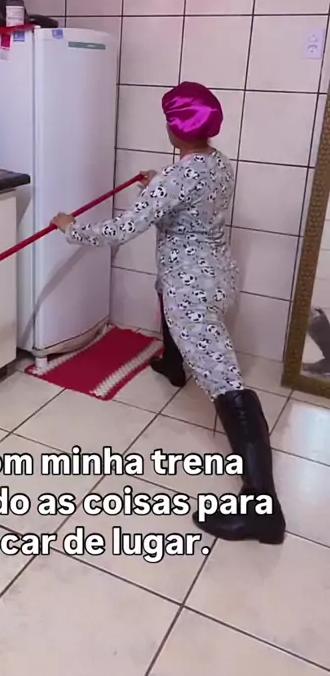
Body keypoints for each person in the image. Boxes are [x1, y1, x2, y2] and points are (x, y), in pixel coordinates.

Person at [52, 81, 285, 545]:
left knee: (226, 383)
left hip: (190, 289)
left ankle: (264, 509)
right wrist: (157, 183)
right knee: (171, 305)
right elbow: (187, 197)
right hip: (216, 275)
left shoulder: (177, 179)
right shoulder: (217, 163)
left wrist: (72, 229)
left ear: (174, 129)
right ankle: (174, 364)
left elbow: (122, 229)